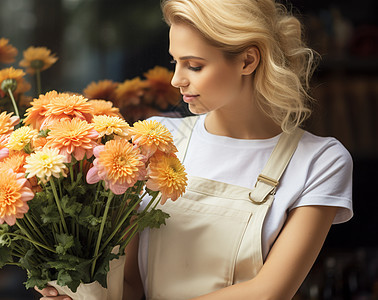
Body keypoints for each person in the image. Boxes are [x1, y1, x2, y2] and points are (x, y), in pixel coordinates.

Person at [37, 0, 353, 299]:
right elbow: (132, 286)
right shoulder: (158, 139)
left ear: (247, 60)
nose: (176, 79)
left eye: (194, 66)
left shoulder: (319, 161)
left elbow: (269, 293)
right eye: (176, 62)